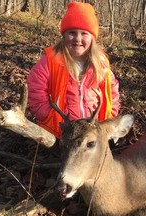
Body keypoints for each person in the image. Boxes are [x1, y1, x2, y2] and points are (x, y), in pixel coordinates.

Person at [27, 1, 120, 138]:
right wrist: (46, 115)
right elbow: (35, 87)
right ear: (64, 35)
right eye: (72, 33)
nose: (78, 39)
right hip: (60, 131)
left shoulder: (100, 63)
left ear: (92, 38)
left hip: (92, 131)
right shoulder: (51, 60)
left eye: (84, 34)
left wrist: (109, 117)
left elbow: (112, 92)